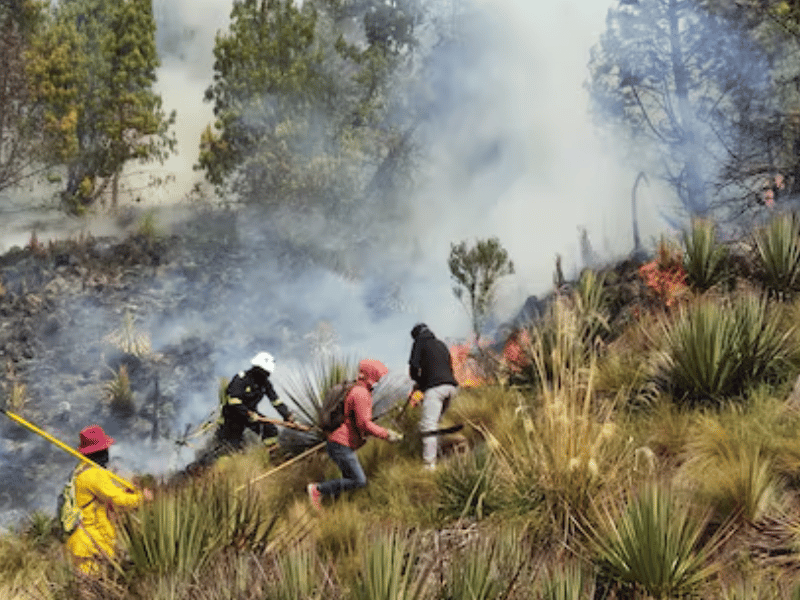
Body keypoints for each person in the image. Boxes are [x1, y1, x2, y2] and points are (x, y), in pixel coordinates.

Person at [307, 359, 402, 510]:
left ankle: (336, 504)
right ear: (372, 376)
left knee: (349, 478)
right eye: (378, 376)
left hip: (337, 442)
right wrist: (387, 434)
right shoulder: (361, 394)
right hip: (341, 444)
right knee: (359, 481)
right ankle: (318, 490)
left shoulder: (354, 388)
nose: (380, 380)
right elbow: (364, 424)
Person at [65, 424, 152, 576]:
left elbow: (109, 497)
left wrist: (127, 493)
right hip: (92, 545)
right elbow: (118, 500)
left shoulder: (82, 471)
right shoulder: (94, 475)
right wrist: (141, 498)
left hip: (89, 544)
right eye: (104, 449)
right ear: (100, 451)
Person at [216, 351, 295, 452]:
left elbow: (275, 401)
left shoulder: (265, 383)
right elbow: (233, 401)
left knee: (270, 430)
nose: (267, 375)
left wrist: (286, 415)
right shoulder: (241, 379)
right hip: (233, 417)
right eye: (265, 372)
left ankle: (272, 454)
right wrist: (247, 413)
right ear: (257, 369)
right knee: (231, 445)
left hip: (252, 414)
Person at [408, 323, 459, 470]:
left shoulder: (419, 342)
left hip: (436, 390)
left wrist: (418, 383)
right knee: (438, 423)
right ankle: (443, 454)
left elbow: (413, 368)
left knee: (428, 427)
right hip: (452, 388)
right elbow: (446, 368)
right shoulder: (441, 345)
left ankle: (429, 466)